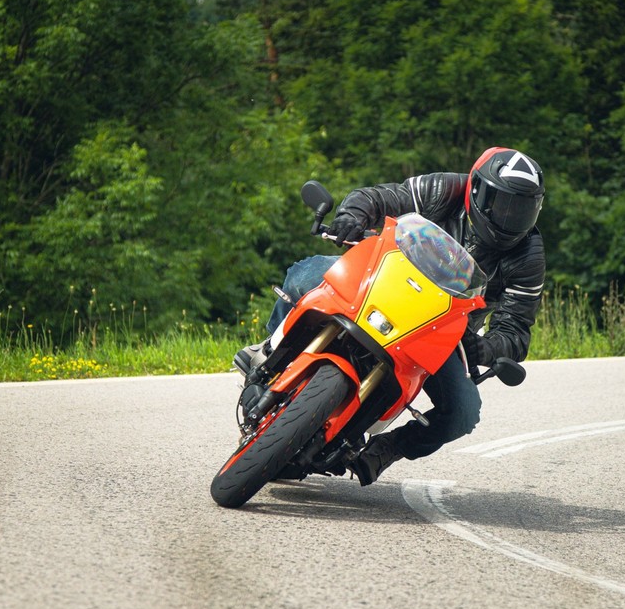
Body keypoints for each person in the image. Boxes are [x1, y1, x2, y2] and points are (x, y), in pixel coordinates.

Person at [234, 147, 547, 486]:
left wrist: (484, 349)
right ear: (475, 191)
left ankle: (387, 449)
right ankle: (268, 349)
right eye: (501, 204)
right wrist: (353, 215)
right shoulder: (446, 189)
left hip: (442, 330)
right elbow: (381, 197)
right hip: (385, 282)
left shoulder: (527, 255)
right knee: (304, 276)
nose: (509, 217)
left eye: (521, 209)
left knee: (463, 412)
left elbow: (516, 330)